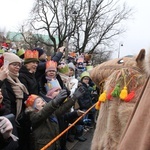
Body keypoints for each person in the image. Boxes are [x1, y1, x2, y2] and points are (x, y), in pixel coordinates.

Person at [3, 52, 30, 150]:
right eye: (14, 64)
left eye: (19, 65)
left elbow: (26, 97)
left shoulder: (18, 80)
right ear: (6, 65)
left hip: (21, 120)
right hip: (10, 122)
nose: (17, 67)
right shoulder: (3, 81)